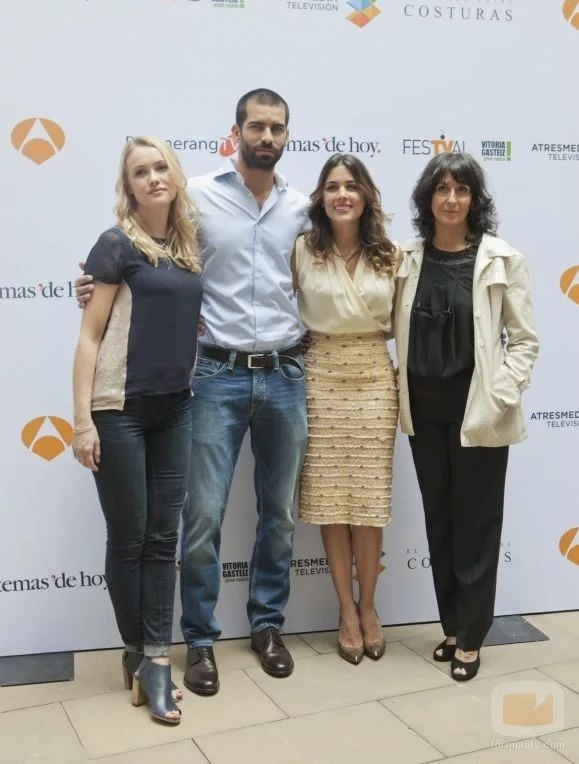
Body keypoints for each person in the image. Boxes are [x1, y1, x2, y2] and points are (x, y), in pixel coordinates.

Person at [76, 90, 309, 696]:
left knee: (279, 515)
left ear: (287, 135)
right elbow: (138, 251)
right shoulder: (195, 196)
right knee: (200, 516)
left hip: (285, 373)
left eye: (276, 128)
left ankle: (267, 626)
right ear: (236, 132)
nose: (266, 136)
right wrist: (92, 283)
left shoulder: (302, 207)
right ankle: (199, 640)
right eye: (255, 126)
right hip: (212, 375)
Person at [394, 152, 539, 682]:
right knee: (440, 520)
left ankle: (473, 637)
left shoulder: (502, 258)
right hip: (423, 409)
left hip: (478, 410)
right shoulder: (406, 258)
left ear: (475, 200)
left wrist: (500, 395)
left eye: (461, 190)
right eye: (442, 189)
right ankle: (452, 627)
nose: (451, 200)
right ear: (427, 198)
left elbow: (524, 340)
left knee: (476, 524)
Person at [72, 136, 203, 723]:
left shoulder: (187, 248)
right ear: (128, 186)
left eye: (160, 167)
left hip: (176, 408)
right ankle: (139, 655)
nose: (153, 178)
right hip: (117, 409)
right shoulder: (114, 245)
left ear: (175, 175)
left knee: (162, 541)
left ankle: (154, 657)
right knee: (130, 539)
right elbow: (89, 337)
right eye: (140, 172)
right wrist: (82, 422)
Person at [292, 154, 399, 664]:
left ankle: (370, 607)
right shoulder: (302, 249)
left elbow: (409, 320)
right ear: (321, 197)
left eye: (351, 186)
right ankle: (345, 611)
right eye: (332, 186)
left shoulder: (391, 255)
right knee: (330, 502)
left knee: (369, 504)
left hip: (375, 376)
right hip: (321, 376)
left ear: (365, 196)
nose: (342, 195)